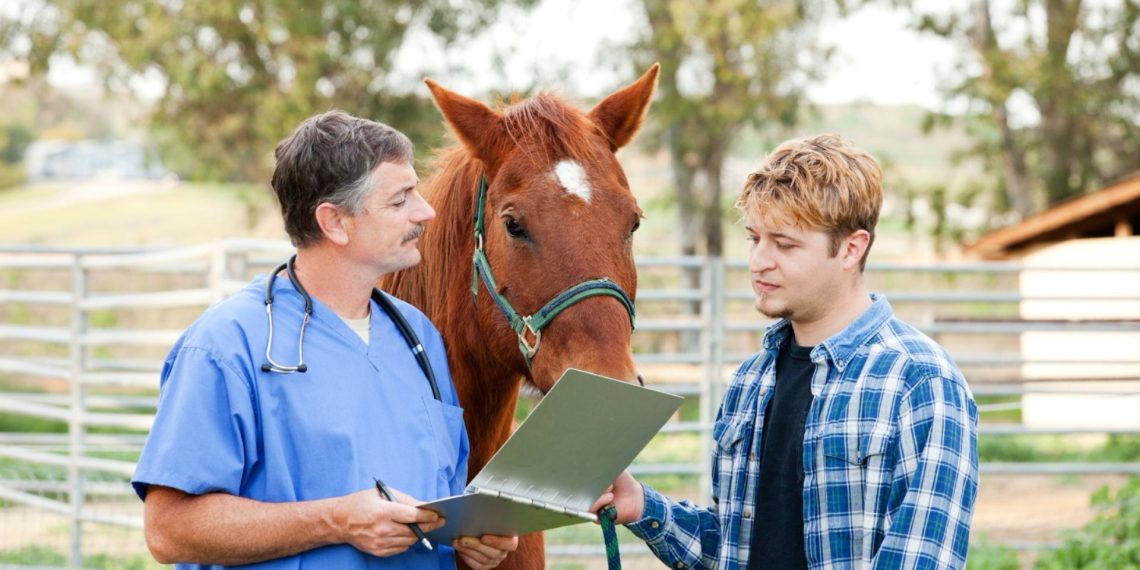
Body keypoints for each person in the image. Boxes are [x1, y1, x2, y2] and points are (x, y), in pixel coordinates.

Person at [132, 111, 518, 570]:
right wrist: (336, 521)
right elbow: (169, 530)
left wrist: (470, 544)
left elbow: (437, 507)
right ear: (335, 222)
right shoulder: (225, 347)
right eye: (399, 201)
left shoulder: (420, 340)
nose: (425, 211)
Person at [594, 134, 979, 569]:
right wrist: (643, 506)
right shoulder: (750, 381)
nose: (759, 261)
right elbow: (734, 551)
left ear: (852, 247)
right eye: (754, 238)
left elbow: (920, 559)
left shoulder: (919, 382)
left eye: (785, 243)